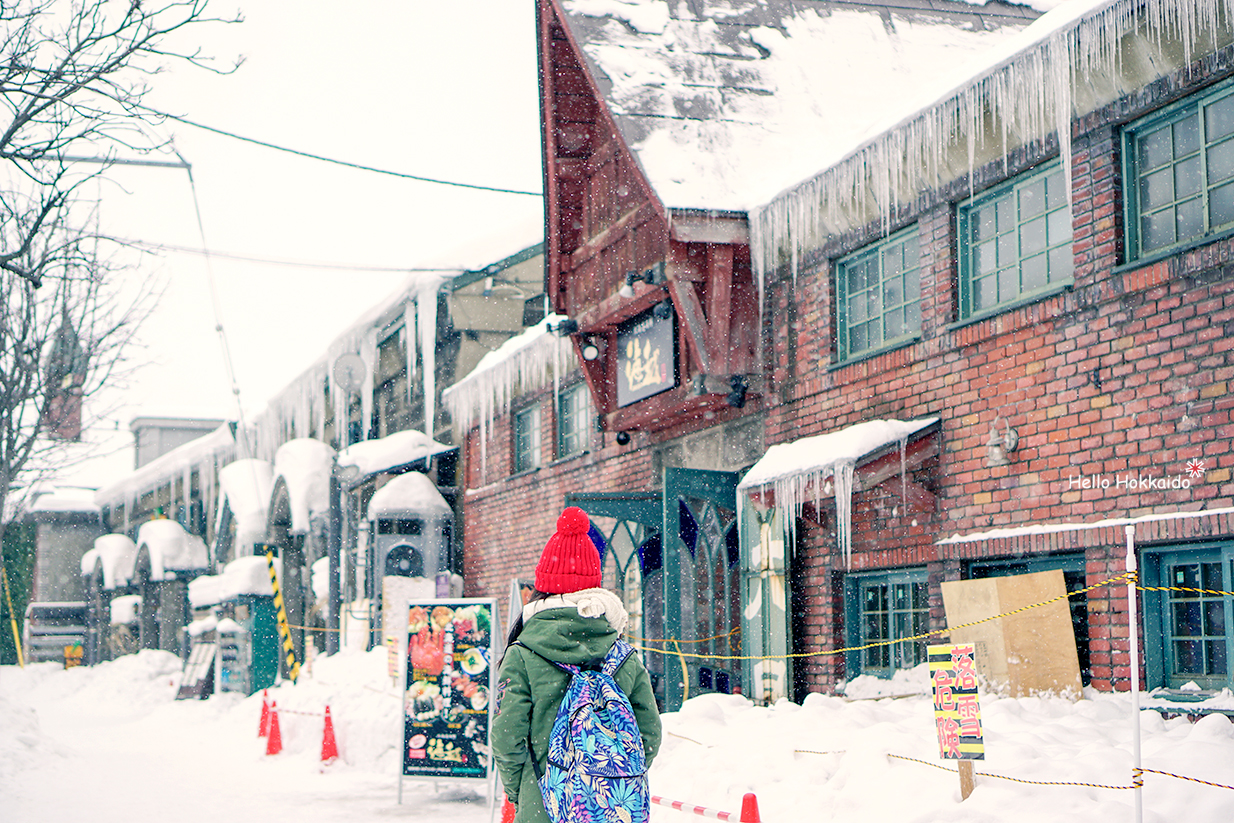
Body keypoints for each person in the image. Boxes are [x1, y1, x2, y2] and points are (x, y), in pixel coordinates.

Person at [492, 506, 662, 823]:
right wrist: (608, 780)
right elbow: (649, 733)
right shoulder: (623, 654)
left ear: (542, 586)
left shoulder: (523, 653)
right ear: (594, 587)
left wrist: (524, 792)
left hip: (542, 806)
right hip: (611, 810)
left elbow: (506, 735)